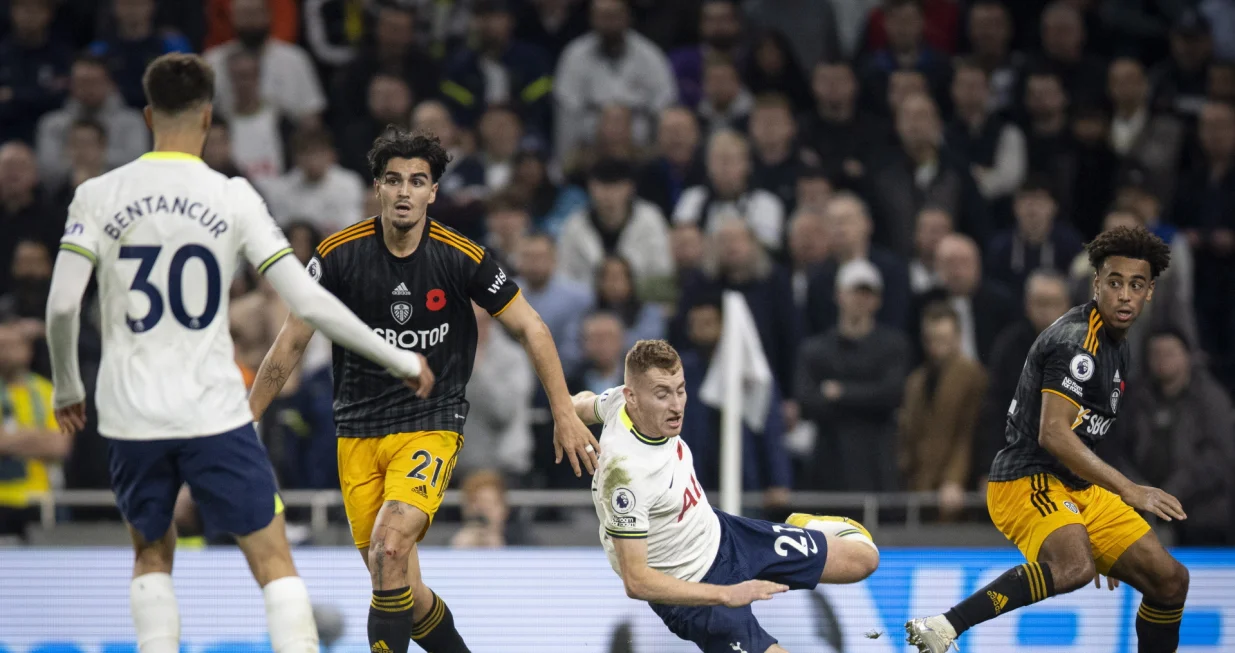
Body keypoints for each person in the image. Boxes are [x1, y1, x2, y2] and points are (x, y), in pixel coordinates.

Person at [45, 53, 435, 653]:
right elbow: (307, 300)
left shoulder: (97, 194)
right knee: (273, 557)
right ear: (207, 117)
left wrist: (68, 386)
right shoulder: (230, 195)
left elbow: (64, 307)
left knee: (151, 551)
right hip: (212, 409)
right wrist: (400, 358)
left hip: (128, 410)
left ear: (149, 115)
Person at [248, 127, 599, 653]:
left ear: (433, 191)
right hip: (358, 432)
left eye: (418, 181)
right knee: (398, 584)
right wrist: (243, 420)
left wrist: (563, 411)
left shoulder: (463, 257)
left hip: (430, 424)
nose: (405, 191)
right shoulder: (338, 254)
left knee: (389, 547)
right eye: (394, 181)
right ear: (378, 188)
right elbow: (290, 343)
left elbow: (531, 327)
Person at [907, 226, 1191, 653]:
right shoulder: (1076, 342)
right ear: (1097, 284)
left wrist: (1104, 541)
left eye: (1137, 285)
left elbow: (1085, 437)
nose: (1125, 295)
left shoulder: (1119, 344)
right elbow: (1054, 433)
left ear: (1150, 292)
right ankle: (944, 625)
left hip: (1079, 488)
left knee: (1169, 580)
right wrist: (1129, 491)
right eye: (1115, 283)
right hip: (1026, 479)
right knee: (1072, 566)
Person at [572, 339, 880, 653]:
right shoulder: (624, 474)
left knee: (864, 559)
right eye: (662, 395)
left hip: (727, 535)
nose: (677, 406)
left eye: (680, 390)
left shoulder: (617, 404)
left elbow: (580, 403)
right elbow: (636, 581)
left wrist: (564, 417)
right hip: (696, 595)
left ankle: (801, 525)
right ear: (632, 397)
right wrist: (725, 595)